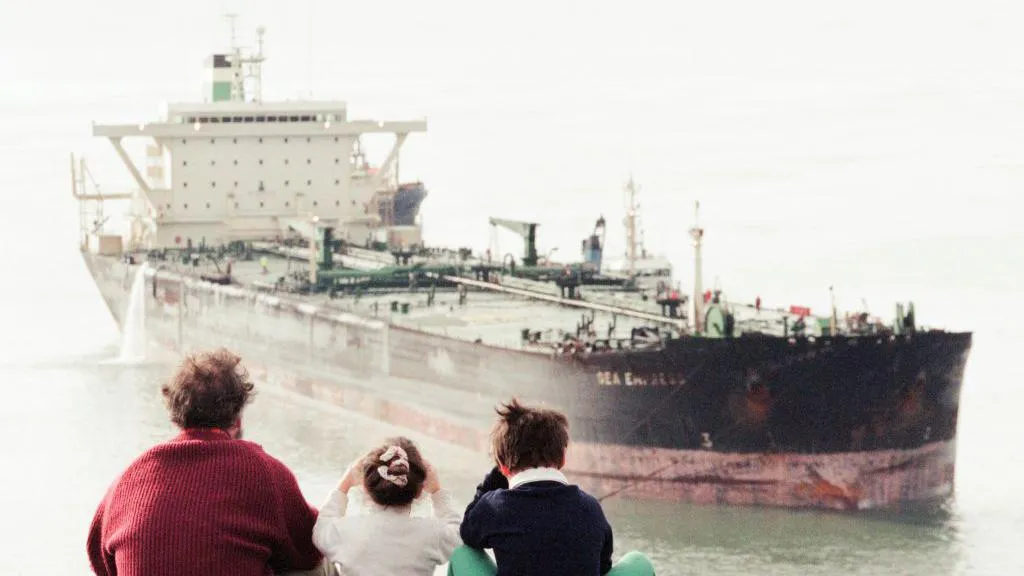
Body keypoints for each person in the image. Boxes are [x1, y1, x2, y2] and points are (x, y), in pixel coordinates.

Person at [86, 348, 325, 576]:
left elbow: (100, 559)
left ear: (176, 417)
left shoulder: (127, 479)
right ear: (237, 418)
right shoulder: (262, 471)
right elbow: (311, 548)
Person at [458, 398, 614, 575]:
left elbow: (467, 533)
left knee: (461, 553)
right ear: (563, 459)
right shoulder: (591, 508)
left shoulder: (494, 507)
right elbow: (603, 566)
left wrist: (495, 477)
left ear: (502, 467)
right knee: (637, 562)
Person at [312, 436, 462, 575]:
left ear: (365, 486)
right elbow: (458, 535)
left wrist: (344, 483)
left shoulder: (345, 531)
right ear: (419, 490)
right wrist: (437, 491)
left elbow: (320, 531)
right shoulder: (432, 535)